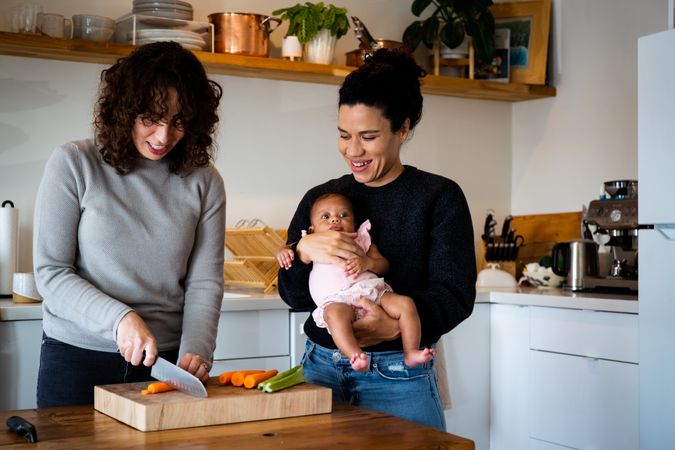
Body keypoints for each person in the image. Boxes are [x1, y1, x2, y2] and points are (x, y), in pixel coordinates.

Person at [278, 48, 476, 431]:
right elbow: (295, 297)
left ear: (402, 129)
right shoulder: (323, 201)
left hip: (399, 375)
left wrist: (395, 325)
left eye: (368, 137)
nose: (353, 151)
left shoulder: (438, 197)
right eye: (343, 135)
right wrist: (302, 251)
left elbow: (455, 295)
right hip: (322, 366)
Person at [32, 41, 225, 407]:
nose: (163, 137)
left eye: (179, 121)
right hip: (77, 358)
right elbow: (52, 273)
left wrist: (197, 351)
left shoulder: (205, 180)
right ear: (124, 110)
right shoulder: (73, 163)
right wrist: (121, 319)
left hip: (165, 362)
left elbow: (205, 281)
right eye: (150, 118)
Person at [276, 192, 435, 372]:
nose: (335, 220)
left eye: (343, 215)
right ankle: (354, 355)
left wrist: (368, 262)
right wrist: (283, 252)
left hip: (373, 294)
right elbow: (289, 250)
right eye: (326, 217)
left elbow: (383, 265)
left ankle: (411, 351)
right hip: (337, 301)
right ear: (312, 230)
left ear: (355, 224)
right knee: (334, 315)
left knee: (405, 304)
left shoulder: (362, 241)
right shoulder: (310, 243)